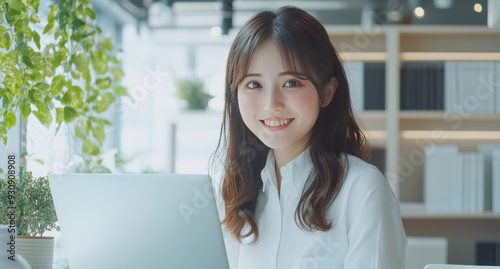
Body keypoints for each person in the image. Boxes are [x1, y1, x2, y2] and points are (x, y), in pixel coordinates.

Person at [210, 6, 407, 269]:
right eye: (254, 84)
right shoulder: (236, 191)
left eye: (291, 82)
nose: (272, 104)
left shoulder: (361, 188)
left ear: (327, 92)